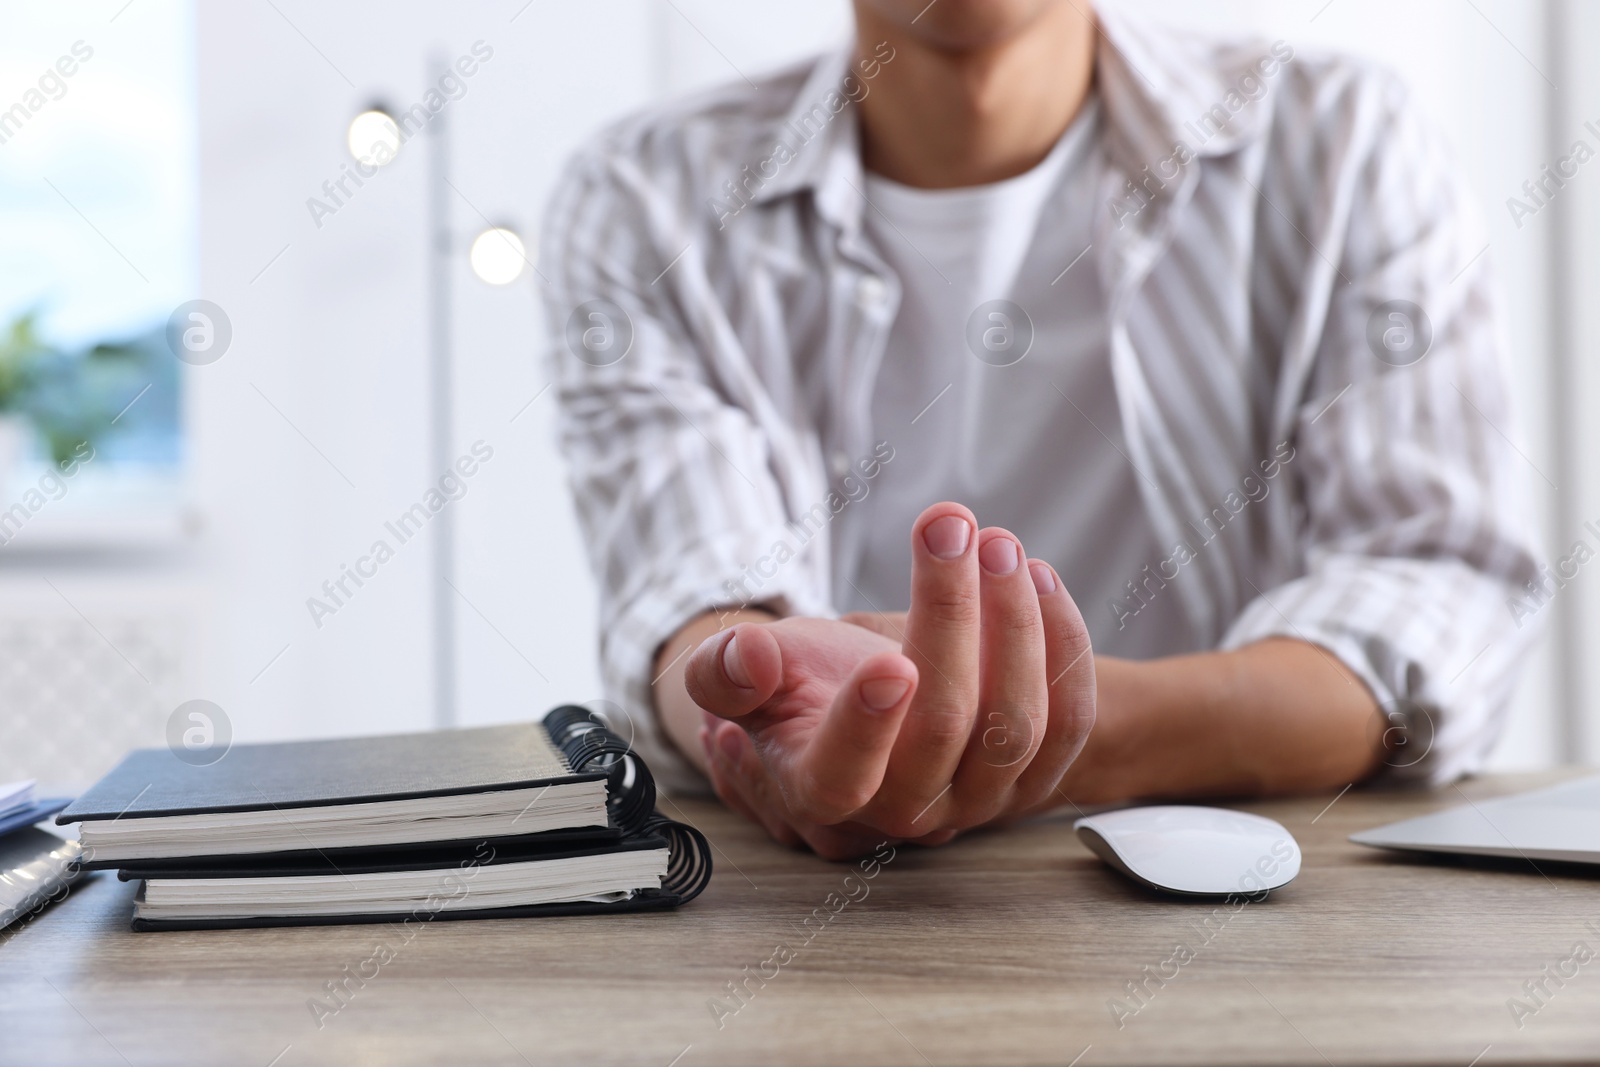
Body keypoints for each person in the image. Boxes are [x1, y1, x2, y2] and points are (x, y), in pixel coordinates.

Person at [539, 0, 1541, 859]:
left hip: (1261, 908)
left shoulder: (1343, 141)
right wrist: (765, 699)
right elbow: (685, 600)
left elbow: (1432, 594)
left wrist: (1052, 740)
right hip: (831, 912)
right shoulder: (642, 197)